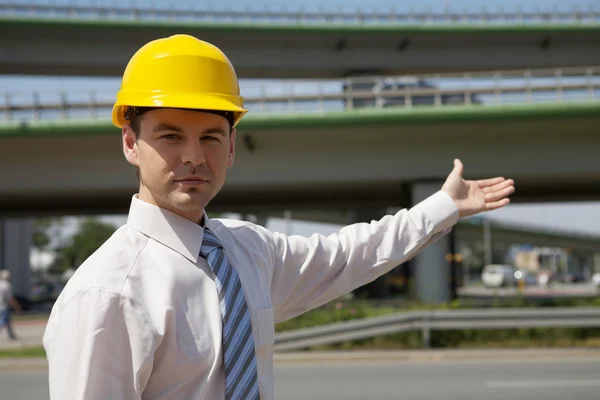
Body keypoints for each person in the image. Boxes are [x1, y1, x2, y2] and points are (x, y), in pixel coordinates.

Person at [42, 34, 515, 400]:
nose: (192, 157)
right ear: (130, 143)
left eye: (210, 137)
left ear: (231, 148)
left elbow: (351, 253)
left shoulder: (245, 252)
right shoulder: (107, 293)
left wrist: (443, 206)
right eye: (169, 136)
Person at [0, 269, 21, 341]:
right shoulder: (7, 285)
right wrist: (17, 307)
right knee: (2, 321)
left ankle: (11, 335)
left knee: (7, 321)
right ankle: (11, 335)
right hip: (3, 306)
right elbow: (10, 298)